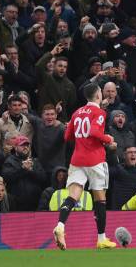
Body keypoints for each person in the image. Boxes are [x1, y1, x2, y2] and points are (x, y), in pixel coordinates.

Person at [53, 83, 116, 250]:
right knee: (100, 199)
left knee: (73, 196)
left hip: (77, 159)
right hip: (95, 159)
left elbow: (67, 136)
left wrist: (82, 140)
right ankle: (101, 239)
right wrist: (108, 139)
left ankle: (60, 225)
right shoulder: (99, 113)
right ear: (97, 95)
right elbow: (94, 132)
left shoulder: (77, 113)